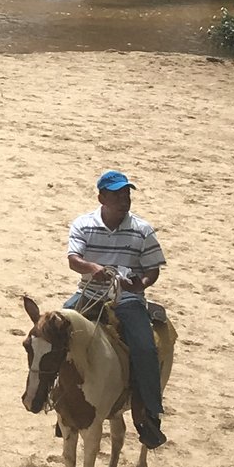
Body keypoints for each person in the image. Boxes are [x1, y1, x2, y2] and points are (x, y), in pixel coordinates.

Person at [64, 170, 169, 448]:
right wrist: (93, 269)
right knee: (53, 330)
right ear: (102, 197)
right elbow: (74, 260)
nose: (124, 200)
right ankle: (56, 397)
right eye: (117, 195)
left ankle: (148, 416)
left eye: (127, 194)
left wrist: (140, 285)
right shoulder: (84, 225)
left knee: (145, 349)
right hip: (89, 294)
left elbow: (152, 270)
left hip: (127, 299)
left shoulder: (142, 230)